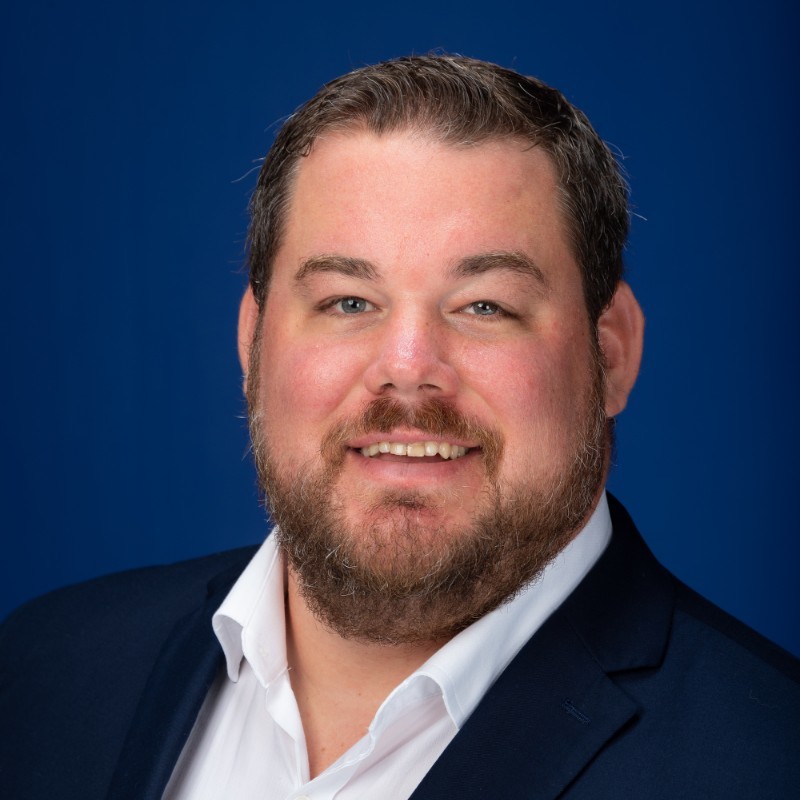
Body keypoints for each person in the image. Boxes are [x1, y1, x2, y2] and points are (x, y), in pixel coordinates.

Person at [1, 54, 798, 800]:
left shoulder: (765, 761)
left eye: (485, 306)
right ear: (253, 344)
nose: (409, 368)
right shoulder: (43, 672)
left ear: (611, 352)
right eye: (348, 301)